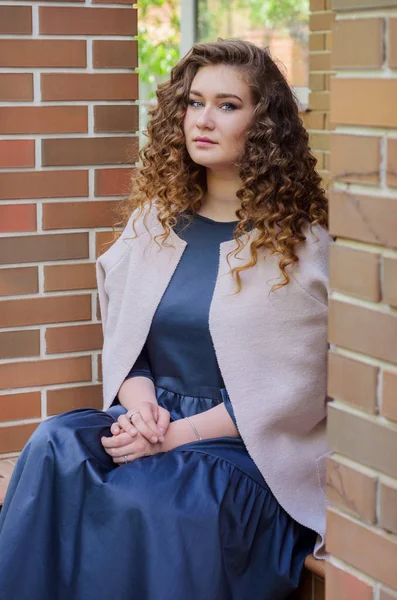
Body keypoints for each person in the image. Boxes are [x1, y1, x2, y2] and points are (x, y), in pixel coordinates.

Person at [0, 39, 330, 600]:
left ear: (265, 124)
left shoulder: (296, 246)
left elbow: (294, 391)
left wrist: (177, 435)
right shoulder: (154, 223)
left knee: (158, 499)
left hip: (245, 449)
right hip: (152, 417)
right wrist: (142, 406)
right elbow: (127, 341)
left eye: (227, 105)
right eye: (194, 102)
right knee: (56, 444)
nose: (203, 120)